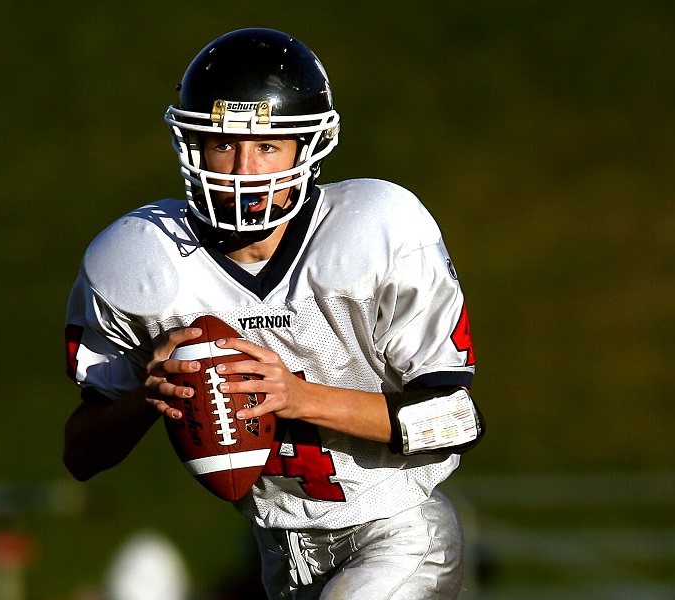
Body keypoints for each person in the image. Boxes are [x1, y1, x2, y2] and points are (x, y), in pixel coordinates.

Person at [63, 28, 483, 600]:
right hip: (278, 557)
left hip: (398, 533)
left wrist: (298, 396)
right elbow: (81, 454)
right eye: (223, 144)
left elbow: (456, 422)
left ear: (306, 149)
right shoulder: (140, 261)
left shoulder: (376, 229)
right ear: (192, 145)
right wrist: (146, 398)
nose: (242, 169)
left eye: (267, 146)